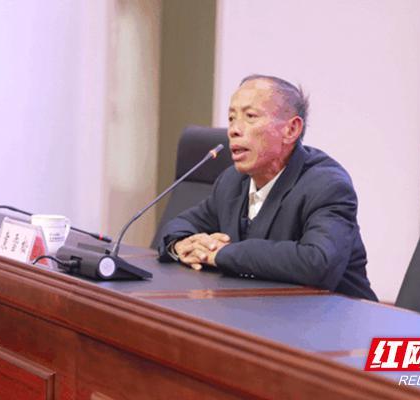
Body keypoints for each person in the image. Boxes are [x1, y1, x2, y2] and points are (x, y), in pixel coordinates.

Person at [157, 74, 377, 300]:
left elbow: (318, 262)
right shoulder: (232, 181)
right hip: (257, 309)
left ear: (291, 130)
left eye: (250, 116)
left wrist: (221, 253)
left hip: (335, 316)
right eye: (231, 118)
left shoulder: (327, 185)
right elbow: (179, 224)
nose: (233, 130)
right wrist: (180, 245)